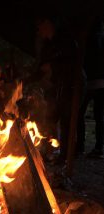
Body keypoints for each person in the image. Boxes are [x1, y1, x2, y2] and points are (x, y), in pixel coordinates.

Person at [35, 16, 78, 162]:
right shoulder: (47, 45)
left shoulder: (64, 40)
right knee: (50, 118)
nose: (38, 30)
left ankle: (66, 155)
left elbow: (72, 62)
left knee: (67, 120)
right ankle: (48, 151)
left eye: (40, 26)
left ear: (48, 24)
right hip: (56, 86)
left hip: (71, 84)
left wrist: (52, 67)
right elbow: (41, 68)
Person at [77, 19, 104, 158]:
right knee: (99, 116)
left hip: (91, 81)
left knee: (81, 113)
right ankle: (97, 147)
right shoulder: (95, 38)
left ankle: (82, 146)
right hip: (97, 81)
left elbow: (86, 60)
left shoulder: (90, 39)